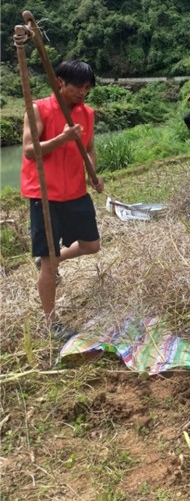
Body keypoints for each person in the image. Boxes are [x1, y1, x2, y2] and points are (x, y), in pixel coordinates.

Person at [21, 60, 105, 339]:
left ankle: (56, 259)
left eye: (87, 88)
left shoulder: (88, 114)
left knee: (92, 245)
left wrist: (93, 174)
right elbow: (30, 151)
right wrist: (62, 138)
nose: (83, 92)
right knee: (47, 261)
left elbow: (89, 148)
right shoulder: (38, 109)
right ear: (60, 82)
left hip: (76, 193)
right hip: (45, 196)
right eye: (78, 87)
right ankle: (51, 321)